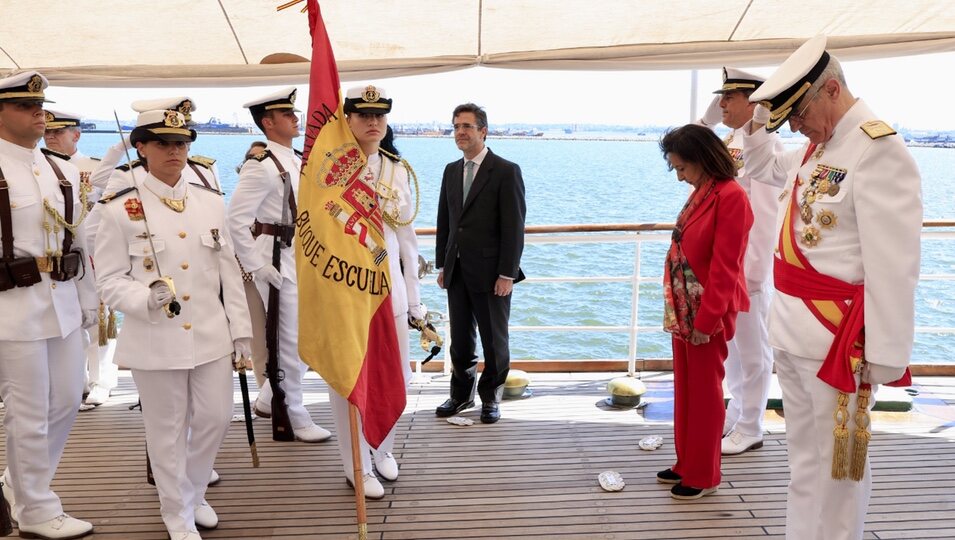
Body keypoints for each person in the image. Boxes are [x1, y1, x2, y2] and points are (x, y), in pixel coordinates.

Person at [741, 35, 922, 539]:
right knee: (803, 463)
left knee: (840, 471)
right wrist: (762, 115)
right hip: (792, 333)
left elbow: (895, 264)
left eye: (798, 114)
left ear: (832, 90)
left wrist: (885, 354)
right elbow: (757, 164)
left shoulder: (878, 150)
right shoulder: (813, 149)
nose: (795, 126)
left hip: (837, 342)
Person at [94, 108, 252, 540]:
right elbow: (107, 280)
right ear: (141, 147)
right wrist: (143, 298)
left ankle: (193, 492)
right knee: (165, 431)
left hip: (210, 332)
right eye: (163, 143)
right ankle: (177, 514)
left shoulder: (211, 202)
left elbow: (229, 273)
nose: (175, 151)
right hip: (154, 337)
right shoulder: (118, 209)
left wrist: (241, 332)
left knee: (216, 419)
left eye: (182, 143)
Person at [0, 71, 98, 539]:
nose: (39, 112)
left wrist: (88, 304)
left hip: (60, 299)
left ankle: (19, 484)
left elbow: (77, 241)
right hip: (11, 305)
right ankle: (36, 508)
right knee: (29, 408)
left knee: (65, 400)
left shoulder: (58, 169)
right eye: (25, 106)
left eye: (40, 105)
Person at [327, 85, 425, 499]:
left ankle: (381, 445)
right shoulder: (325, 170)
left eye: (380, 115)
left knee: (392, 373)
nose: (372, 122)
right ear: (346, 119)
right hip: (344, 289)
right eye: (363, 114)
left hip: (389, 292)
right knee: (348, 379)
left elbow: (407, 242)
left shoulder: (396, 170)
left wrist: (416, 301)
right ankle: (356, 463)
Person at [226, 87, 332, 443]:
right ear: (268, 123)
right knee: (288, 341)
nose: (295, 118)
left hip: (301, 255)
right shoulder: (260, 167)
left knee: (306, 336)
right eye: (287, 115)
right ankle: (296, 416)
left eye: (294, 113)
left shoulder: (295, 157)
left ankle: (272, 397)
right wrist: (256, 266)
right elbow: (237, 221)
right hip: (276, 257)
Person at [656, 124, 753, 500]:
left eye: (682, 168)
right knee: (686, 388)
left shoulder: (731, 197)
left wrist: (707, 320)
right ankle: (686, 462)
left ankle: (703, 473)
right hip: (685, 307)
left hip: (706, 311)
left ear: (702, 159)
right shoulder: (703, 191)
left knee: (705, 393)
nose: (679, 176)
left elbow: (728, 266)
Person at [699, 68, 781, 455]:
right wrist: (705, 122)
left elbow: (764, 218)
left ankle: (752, 424)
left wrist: (752, 275)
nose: (722, 105)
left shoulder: (770, 150)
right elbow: (688, 151)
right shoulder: (731, 142)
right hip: (725, 266)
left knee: (753, 349)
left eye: (729, 98)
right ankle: (736, 411)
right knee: (730, 345)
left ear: (755, 102)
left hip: (748, 268)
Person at [434, 103, 526, 424]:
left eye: (467, 126)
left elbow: (514, 227)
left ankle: (491, 398)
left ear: (483, 131)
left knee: (494, 342)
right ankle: (460, 395)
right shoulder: (450, 170)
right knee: (460, 341)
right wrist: (442, 266)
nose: (460, 132)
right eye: (456, 126)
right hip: (456, 271)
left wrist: (507, 274)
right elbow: (445, 221)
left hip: (492, 275)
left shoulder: (505, 170)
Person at [43, 109, 119, 409]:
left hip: (93, 251)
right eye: (47, 131)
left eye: (57, 132)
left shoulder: (94, 167)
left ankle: (102, 381)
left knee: (98, 320)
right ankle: (78, 381)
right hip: (55, 254)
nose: (50, 136)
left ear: (76, 135)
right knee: (63, 318)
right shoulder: (39, 169)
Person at [89, 97, 221, 194]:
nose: (180, 137)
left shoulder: (204, 169)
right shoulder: (132, 174)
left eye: (184, 131)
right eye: (164, 140)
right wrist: (123, 146)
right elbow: (98, 179)